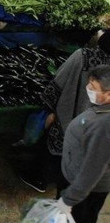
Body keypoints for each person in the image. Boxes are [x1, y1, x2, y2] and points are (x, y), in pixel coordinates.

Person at [20, 31, 110, 194]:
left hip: (69, 117)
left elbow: (58, 83)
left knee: (53, 151)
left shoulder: (82, 56)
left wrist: (47, 108)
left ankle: (40, 179)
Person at [52, 65, 110, 223]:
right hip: (76, 179)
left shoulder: (104, 126)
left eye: (93, 87)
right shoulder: (102, 109)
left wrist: (69, 200)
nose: (88, 88)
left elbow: (92, 170)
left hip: (84, 192)